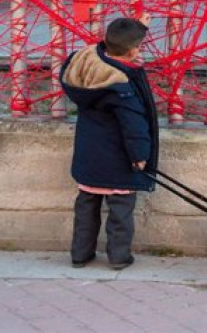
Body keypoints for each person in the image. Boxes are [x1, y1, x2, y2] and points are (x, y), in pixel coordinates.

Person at [59, 15, 158, 270]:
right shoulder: (121, 87)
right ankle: (118, 257)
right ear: (133, 51)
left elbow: (111, 45)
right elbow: (133, 126)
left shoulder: (87, 65)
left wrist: (139, 25)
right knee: (120, 213)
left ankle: (80, 255)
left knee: (85, 210)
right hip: (119, 161)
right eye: (138, 46)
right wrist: (140, 156)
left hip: (88, 159)